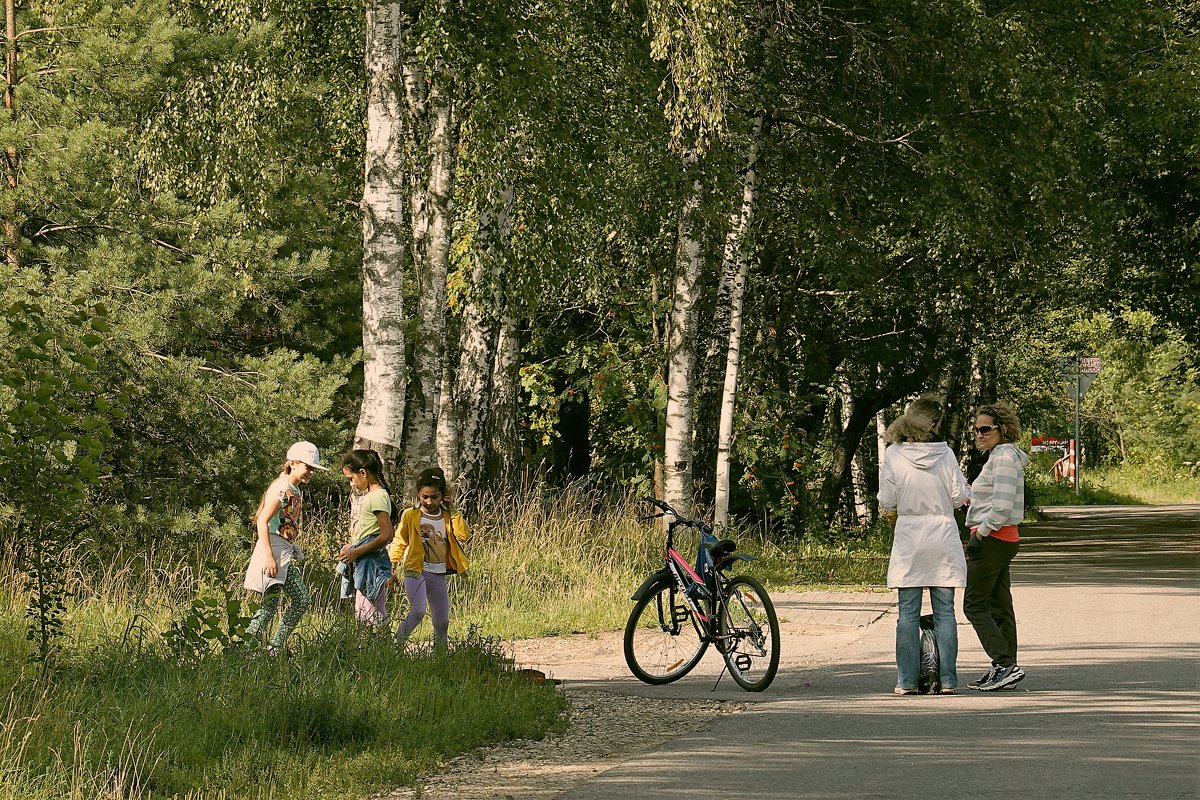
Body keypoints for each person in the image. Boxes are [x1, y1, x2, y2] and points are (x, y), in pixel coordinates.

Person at [878, 398, 971, 695]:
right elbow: (959, 497)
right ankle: (947, 680)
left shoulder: (894, 454)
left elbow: (887, 500)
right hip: (942, 535)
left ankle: (906, 681)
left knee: (907, 612)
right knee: (945, 612)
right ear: (933, 425)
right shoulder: (946, 454)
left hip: (910, 536)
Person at [964, 401, 1030, 691]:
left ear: (1002, 429)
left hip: (993, 538)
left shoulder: (1003, 457)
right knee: (999, 605)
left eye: (985, 429)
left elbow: (1002, 506)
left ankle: (1004, 663)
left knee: (974, 605)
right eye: (976, 430)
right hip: (1001, 538)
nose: (979, 434)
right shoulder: (1000, 456)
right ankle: (1005, 667)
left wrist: (980, 535)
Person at [244, 441, 327, 653]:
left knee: (269, 606)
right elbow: (262, 521)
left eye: (313, 469)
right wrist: (269, 556)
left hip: (282, 548)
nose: (311, 472)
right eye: (308, 467)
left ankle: (248, 650)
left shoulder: (294, 490)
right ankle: (273, 648)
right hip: (274, 550)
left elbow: (281, 523)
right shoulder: (281, 488)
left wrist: (292, 543)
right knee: (301, 600)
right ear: (292, 463)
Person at [389, 467, 471, 648]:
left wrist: (454, 511)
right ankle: (396, 646)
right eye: (424, 496)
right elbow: (400, 540)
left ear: (443, 495)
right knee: (417, 611)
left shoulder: (448, 516)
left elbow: (464, 535)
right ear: (418, 494)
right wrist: (392, 563)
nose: (429, 501)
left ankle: (439, 656)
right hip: (415, 569)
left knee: (442, 621)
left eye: (434, 497)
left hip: (438, 571)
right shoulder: (411, 515)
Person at [339, 449, 397, 627]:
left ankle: (380, 648)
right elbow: (370, 530)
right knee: (367, 609)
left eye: (351, 478)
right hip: (366, 557)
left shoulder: (378, 496)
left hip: (371, 561)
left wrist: (356, 552)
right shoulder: (374, 496)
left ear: (363, 472)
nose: (351, 484)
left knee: (368, 613)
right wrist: (353, 545)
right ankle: (379, 649)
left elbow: (387, 534)